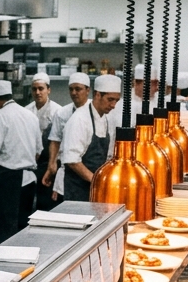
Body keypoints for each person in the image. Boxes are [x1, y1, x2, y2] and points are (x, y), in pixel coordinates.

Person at [0, 79, 43, 240]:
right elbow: (38, 152)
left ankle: (6, 263)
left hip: (9, 181)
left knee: (7, 228)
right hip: (29, 180)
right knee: (24, 228)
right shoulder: (30, 115)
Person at [58, 74, 122, 202]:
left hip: (96, 188)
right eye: (110, 99)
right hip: (78, 190)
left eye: (116, 100)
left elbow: (108, 156)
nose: (114, 105)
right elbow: (72, 160)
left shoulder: (107, 118)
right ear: (98, 95)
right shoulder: (80, 119)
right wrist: (96, 180)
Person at [47, 72, 91, 205]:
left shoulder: (94, 111)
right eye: (71, 89)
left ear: (87, 90)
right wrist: (52, 163)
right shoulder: (62, 113)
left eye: (78, 89)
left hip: (88, 168)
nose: (74, 93)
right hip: (67, 169)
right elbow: (55, 140)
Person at [26, 73, 64, 211]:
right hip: (31, 162)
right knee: (28, 203)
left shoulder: (58, 111)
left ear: (49, 90)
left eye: (41, 88)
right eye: (34, 89)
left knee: (46, 203)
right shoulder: (26, 111)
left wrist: (53, 164)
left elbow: (60, 141)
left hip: (50, 162)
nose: (37, 92)